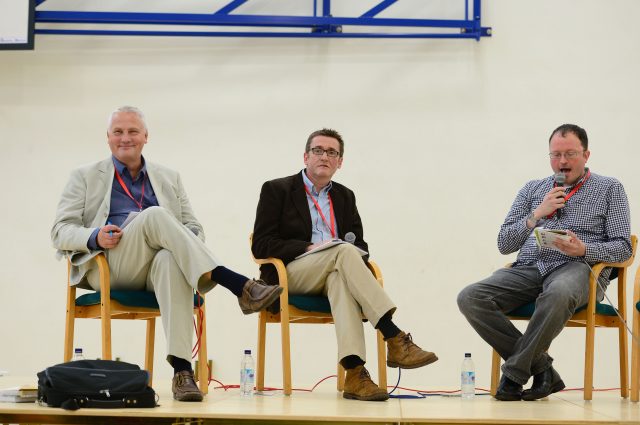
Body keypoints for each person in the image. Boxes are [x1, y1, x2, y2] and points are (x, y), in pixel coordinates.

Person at [51, 106, 282, 402]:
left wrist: (183, 241)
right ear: (107, 137)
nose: (125, 138)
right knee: (155, 215)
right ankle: (238, 284)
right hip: (110, 263)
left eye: (133, 131)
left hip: (155, 267)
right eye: (118, 132)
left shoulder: (168, 177)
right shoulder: (83, 176)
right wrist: (95, 235)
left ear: (146, 136)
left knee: (170, 258)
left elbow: (193, 226)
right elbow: (59, 231)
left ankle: (182, 372)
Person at [251, 128, 438, 402]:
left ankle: (355, 374)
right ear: (305, 156)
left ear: (340, 162)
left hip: (334, 270)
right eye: (318, 150)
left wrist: (344, 252)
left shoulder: (345, 196)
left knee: (341, 271)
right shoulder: (276, 189)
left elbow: (360, 246)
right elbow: (262, 244)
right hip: (291, 272)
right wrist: (308, 247)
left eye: (332, 152)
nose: (324, 156)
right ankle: (394, 336)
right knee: (341, 251)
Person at [457, 124, 632, 401]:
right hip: (530, 267)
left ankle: (513, 375)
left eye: (570, 154)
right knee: (470, 297)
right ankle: (543, 370)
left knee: (558, 292)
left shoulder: (610, 188)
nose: (562, 162)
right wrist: (536, 215)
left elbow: (624, 248)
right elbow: (504, 243)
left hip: (579, 268)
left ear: (586, 155)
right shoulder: (532, 189)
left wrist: (583, 248)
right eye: (556, 155)